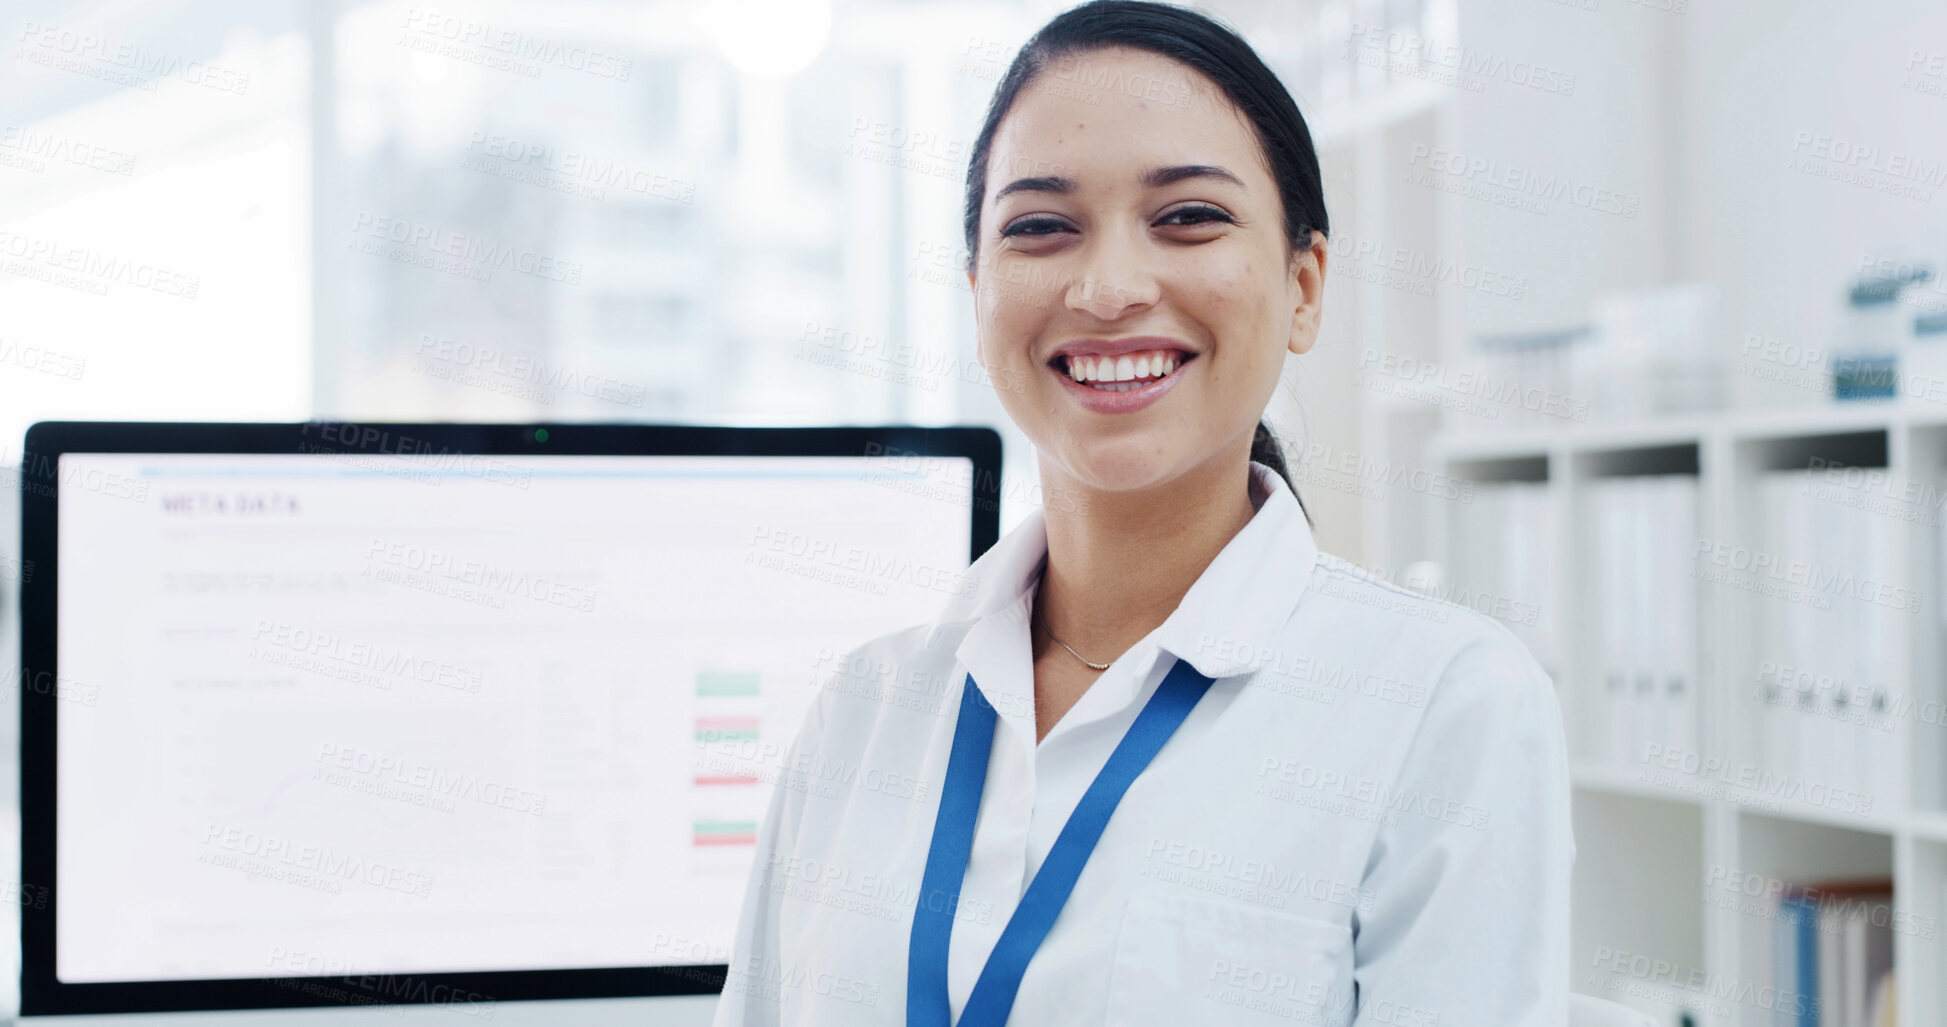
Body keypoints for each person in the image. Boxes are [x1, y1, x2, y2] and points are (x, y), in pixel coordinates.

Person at [713, 2, 1575, 1024]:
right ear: (979, 288)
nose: (1109, 287)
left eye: (1188, 217)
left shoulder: (1445, 706)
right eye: (1040, 227)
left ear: (1305, 286)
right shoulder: (864, 710)